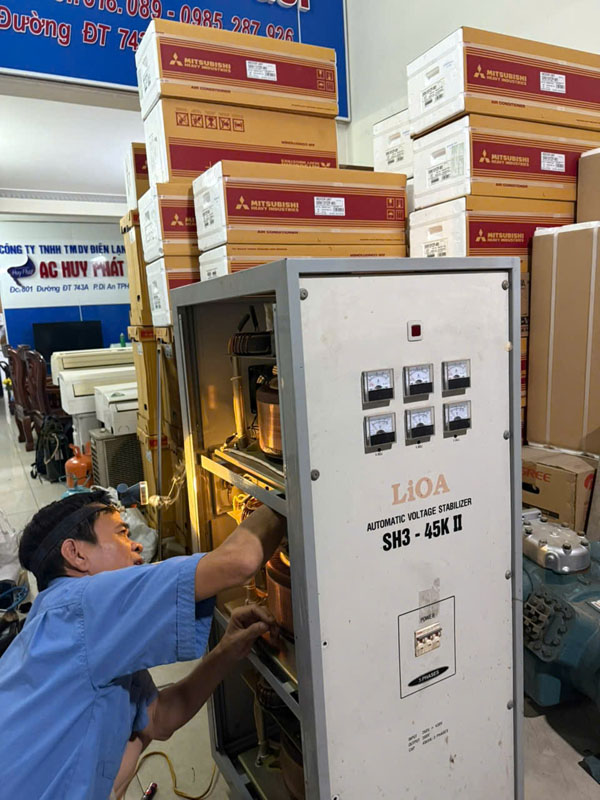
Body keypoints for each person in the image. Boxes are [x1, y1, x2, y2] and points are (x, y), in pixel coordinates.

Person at [0, 489, 286, 799]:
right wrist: (285, 497)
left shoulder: (75, 629)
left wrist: (226, 651)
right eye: (121, 533)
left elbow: (160, 720)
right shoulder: (83, 605)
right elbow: (240, 561)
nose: (136, 544)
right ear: (76, 554)